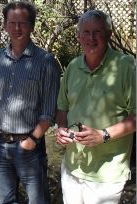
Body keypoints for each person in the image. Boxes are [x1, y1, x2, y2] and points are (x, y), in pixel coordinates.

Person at [0, 1, 61, 203]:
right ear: (5, 25)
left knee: (38, 200)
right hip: (0, 145)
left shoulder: (46, 61)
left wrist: (32, 141)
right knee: (6, 200)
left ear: (32, 26)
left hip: (30, 146)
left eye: (23, 23)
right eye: (12, 23)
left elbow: (49, 111)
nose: (17, 28)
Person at [56, 10, 135, 204]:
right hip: (73, 167)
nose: (91, 38)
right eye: (86, 32)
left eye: (98, 32)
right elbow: (62, 108)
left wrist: (103, 135)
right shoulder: (73, 67)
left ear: (108, 35)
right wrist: (61, 129)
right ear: (79, 36)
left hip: (107, 173)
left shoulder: (126, 67)